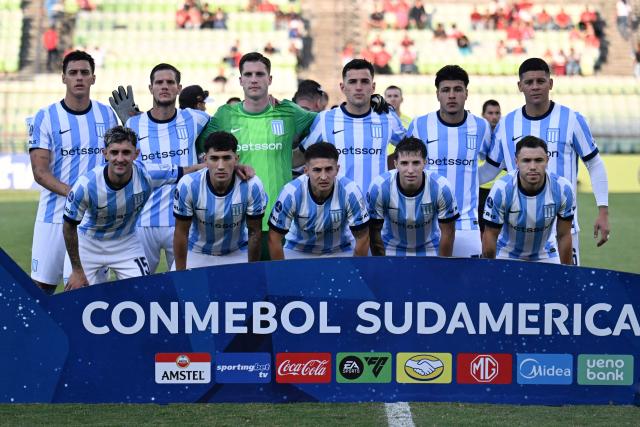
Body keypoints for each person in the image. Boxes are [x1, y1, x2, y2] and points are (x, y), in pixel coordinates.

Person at [483, 58, 610, 265]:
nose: (535, 87)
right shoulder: (507, 123)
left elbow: (594, 164)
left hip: (563, 229)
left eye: (540, 81)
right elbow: (490, 170)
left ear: (550, 84)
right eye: (529, 82)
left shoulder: (572, 119)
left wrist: (603, 210)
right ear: (520, 86)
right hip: (514, 233)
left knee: (564, 292)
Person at [196, 52, 317, 247]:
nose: (254, 80)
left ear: (269, 79)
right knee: (244, 278)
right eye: (249, 75)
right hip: (238, 221)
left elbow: (325, 123)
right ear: (240, 80)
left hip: (282, 218)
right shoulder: (225, 115)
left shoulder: (288, 112)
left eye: (260, 74)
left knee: (280, 277)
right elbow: (198, 147)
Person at [62, 126, 204, 290]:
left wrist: (232, 168)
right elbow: (68, 227)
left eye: (126, 152)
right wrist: (77, 271)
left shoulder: (148, 173)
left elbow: (188, 171)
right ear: (105, 153)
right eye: (114, 152)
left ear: (136, 154)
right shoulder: (86, 185)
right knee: (76, 298)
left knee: (143, 294)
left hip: (126, 243)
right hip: (87, 244)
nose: (120, 158)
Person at [28, 50, 118, 294]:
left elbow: (118, 159)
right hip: (52, 217)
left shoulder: (107, 115)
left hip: (92, 220)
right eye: (73, 73)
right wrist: (75, 194)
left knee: (86, 294)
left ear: (93, 78)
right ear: (63, 78)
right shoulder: (45, 117)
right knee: (41, 289)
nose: (79, 78)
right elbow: (40, 171)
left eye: (84, 73)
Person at [125, 64, 210, 274]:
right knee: (136, 288)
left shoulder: (194, 118)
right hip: (142, 222)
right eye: (159, 82)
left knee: (187, 288)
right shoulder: (133, 124)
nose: (165, 87)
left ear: (179, 88)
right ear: (150, 88)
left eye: (170, 82)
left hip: (183, 222)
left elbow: (227, 125)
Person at [407, 65, 492, 257]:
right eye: (446, 90)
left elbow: (493, 164)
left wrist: (472, 179)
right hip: (426, 224)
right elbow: (405, 167)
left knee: (468, 286)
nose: (451, 95)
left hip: (466, 225)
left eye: (458, 89)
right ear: (437, 94)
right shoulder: (419, 125)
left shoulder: (481, 126)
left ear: (466, 93)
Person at [300, 59, 406, 199]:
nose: (358, 87)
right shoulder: (325, 119)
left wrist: (388, 168)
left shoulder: (387, 117)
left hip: (377, 207)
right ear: (342, 87)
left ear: (373, 87)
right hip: (338, 206)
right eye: (352, 82)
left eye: (364, 81)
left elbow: (410, 149)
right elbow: (303, 155)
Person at [173, 131, 267, 269]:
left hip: (236, 252)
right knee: (183, 290)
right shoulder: (188, 184)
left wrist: (251, 271)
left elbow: (254, 232)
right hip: (197, 252)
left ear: (236, 159)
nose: (221, 166)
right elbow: (181, 232)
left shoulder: (252, 185)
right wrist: (180, 274)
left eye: (227, 158)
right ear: (205, 160)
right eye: (214, 158)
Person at [482, 136, 575, 264]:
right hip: (505, 253)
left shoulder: (563, 188)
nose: (532, 166)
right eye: (526, 160)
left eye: (538, 160)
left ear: (547, 161)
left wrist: (566, 273)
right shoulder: (502, 189)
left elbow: (564, 235)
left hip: (546, 254)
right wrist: (490, 272)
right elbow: (490, 235)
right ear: (517, 162)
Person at [268, 143, 370, 259]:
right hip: (297, 250)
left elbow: (363, 238)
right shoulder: (290, 192)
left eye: (328, 169)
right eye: (317, 170)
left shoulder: (351, 191)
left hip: (340, 250)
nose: (323, 176)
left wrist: (356, 270)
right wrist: (282, 274)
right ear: (306, 171)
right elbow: (274, 238)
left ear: (337, 169)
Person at [368, 137, 458, 256]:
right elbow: (374, 232)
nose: (410, 170)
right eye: (404, 163)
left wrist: (441, 267)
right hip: (391, 249)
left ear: (425, 163)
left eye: (416, 163)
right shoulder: (379, 187)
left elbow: (448, 232)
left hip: (430, 249)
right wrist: (382, 265)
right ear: (395, 164)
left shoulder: (442, 187)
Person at [478, 99, 504, 234]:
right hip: (481, 189)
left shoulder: (504, 136)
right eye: (490, 113)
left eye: (497, 113)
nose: (494, 117)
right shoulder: (476, 135)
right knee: (482, 230)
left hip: (500, 188)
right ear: (483, 115)